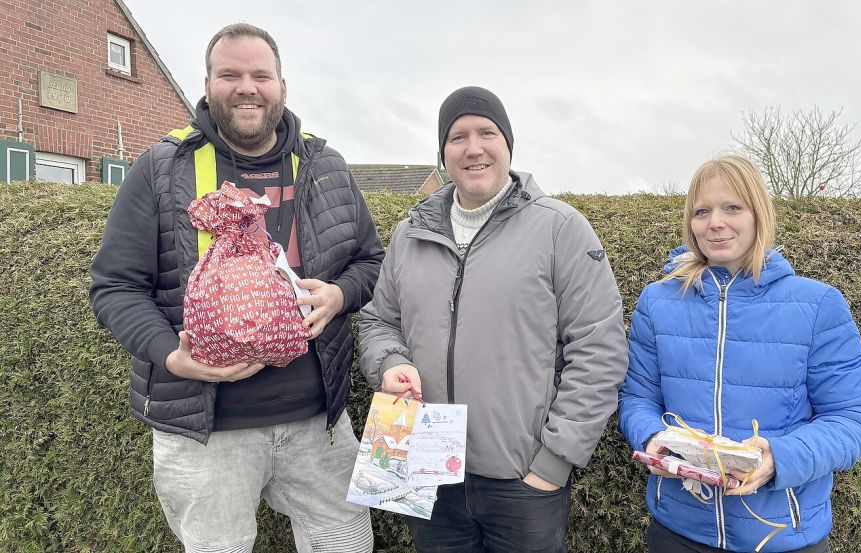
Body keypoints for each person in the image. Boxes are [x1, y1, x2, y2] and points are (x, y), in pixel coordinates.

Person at [89, 23, 382, 553]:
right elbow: (114, 286)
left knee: (347, 544)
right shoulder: (162, 168)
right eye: (230, 75)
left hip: (321, 426)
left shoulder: (326, 166)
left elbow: (370, 262)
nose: (246, 87)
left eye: (260, 75)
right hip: (205, 435)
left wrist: (339, 295)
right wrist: (169, 356)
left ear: (282, 87)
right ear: (207, 85)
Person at [358, 86, 628, 552]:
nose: (473, 147)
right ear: (443, 154)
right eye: (458, 136)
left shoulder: (560, 228)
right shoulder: (409, 233)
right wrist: (388, 364)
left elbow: (599, 349)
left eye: (487, 132)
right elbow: (378, 321)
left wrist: (553, 462)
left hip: (522, 480)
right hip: (424, 465)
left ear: (508, 144)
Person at [618, 154, 861, 553]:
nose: (715, 222)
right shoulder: (657, 302)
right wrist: (655, 436)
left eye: (732, 208)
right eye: (702, 211)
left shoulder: (818, 305)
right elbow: (637, 398)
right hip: (678, 531)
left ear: (758, 214)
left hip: (782, 536)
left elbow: (854, 417)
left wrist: (780, 457)